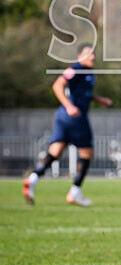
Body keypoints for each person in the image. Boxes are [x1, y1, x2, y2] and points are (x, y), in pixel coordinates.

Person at [22, 43, 113, 207]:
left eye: (93, 54)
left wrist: (99, 99)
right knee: (87, 153)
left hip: (63, 118)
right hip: (74, 117)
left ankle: (32, 179)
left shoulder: (88, 73)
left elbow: (83, 93)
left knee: (55, 152)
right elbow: (58, 85)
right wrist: (69, 106)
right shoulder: (76, 69)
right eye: (88, 54)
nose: (92, 57)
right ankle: (75, 192)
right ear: (79, 56)